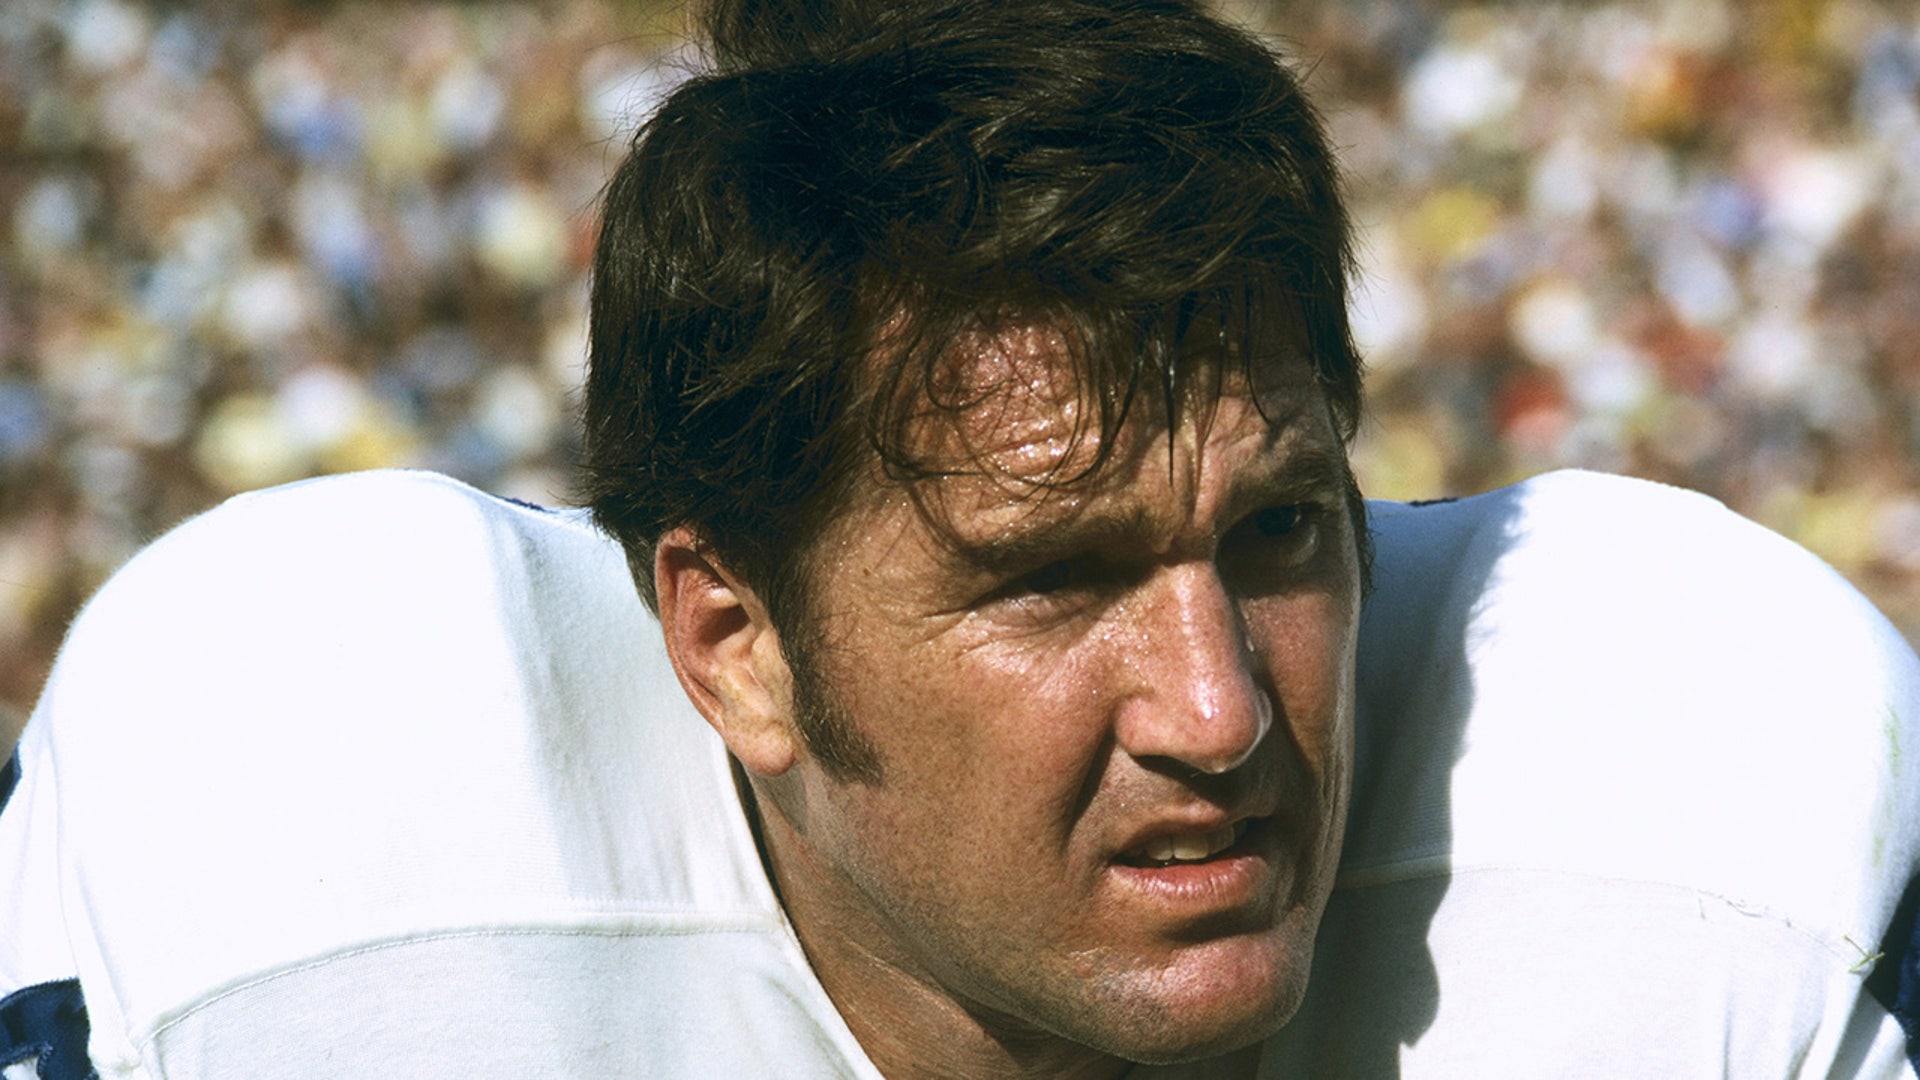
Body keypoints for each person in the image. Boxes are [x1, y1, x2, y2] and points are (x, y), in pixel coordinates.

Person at [3, 1, 1918, 1077]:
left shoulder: (1699, 821)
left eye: (1275, 533)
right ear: (729, 639)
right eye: (1051, 577)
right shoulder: (302, 859)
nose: (1217, 710)